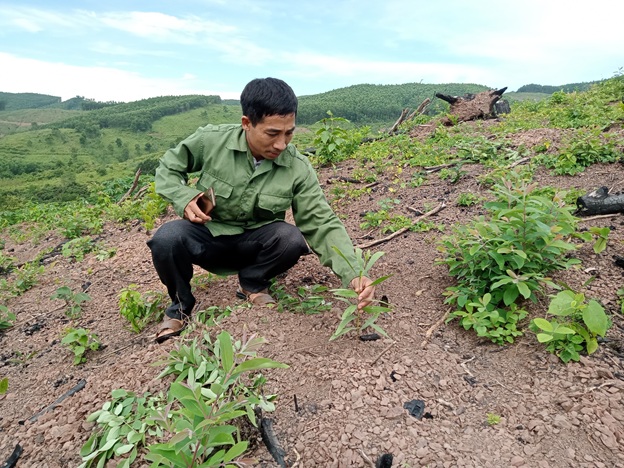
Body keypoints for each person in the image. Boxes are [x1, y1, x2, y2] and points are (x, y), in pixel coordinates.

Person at [147, 77, 375, 343]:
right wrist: (184, 197)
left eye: (289, 133)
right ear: (247, 123)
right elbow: (168, 168)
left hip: (256, 244)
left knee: (290, 238)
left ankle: (253, 284)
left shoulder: (297, 167)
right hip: (209, 237)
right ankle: (179, 308)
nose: (281, 144)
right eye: (272, 133)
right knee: (166, 238)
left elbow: (321, 221)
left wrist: (353, 272)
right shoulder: (211, 140)